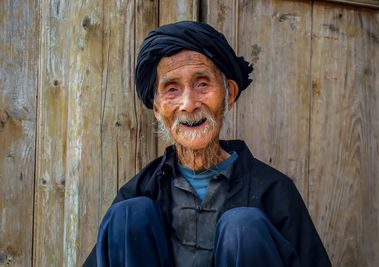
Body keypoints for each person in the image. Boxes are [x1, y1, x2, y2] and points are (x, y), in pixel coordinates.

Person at [83, 21, 331, 267]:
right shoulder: (141, 189)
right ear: (157, 107)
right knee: (129, 216)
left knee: (243, 227)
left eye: (202, 84)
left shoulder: (274, 190)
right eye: (172, 89)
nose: (189, 104)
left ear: (229, 94)